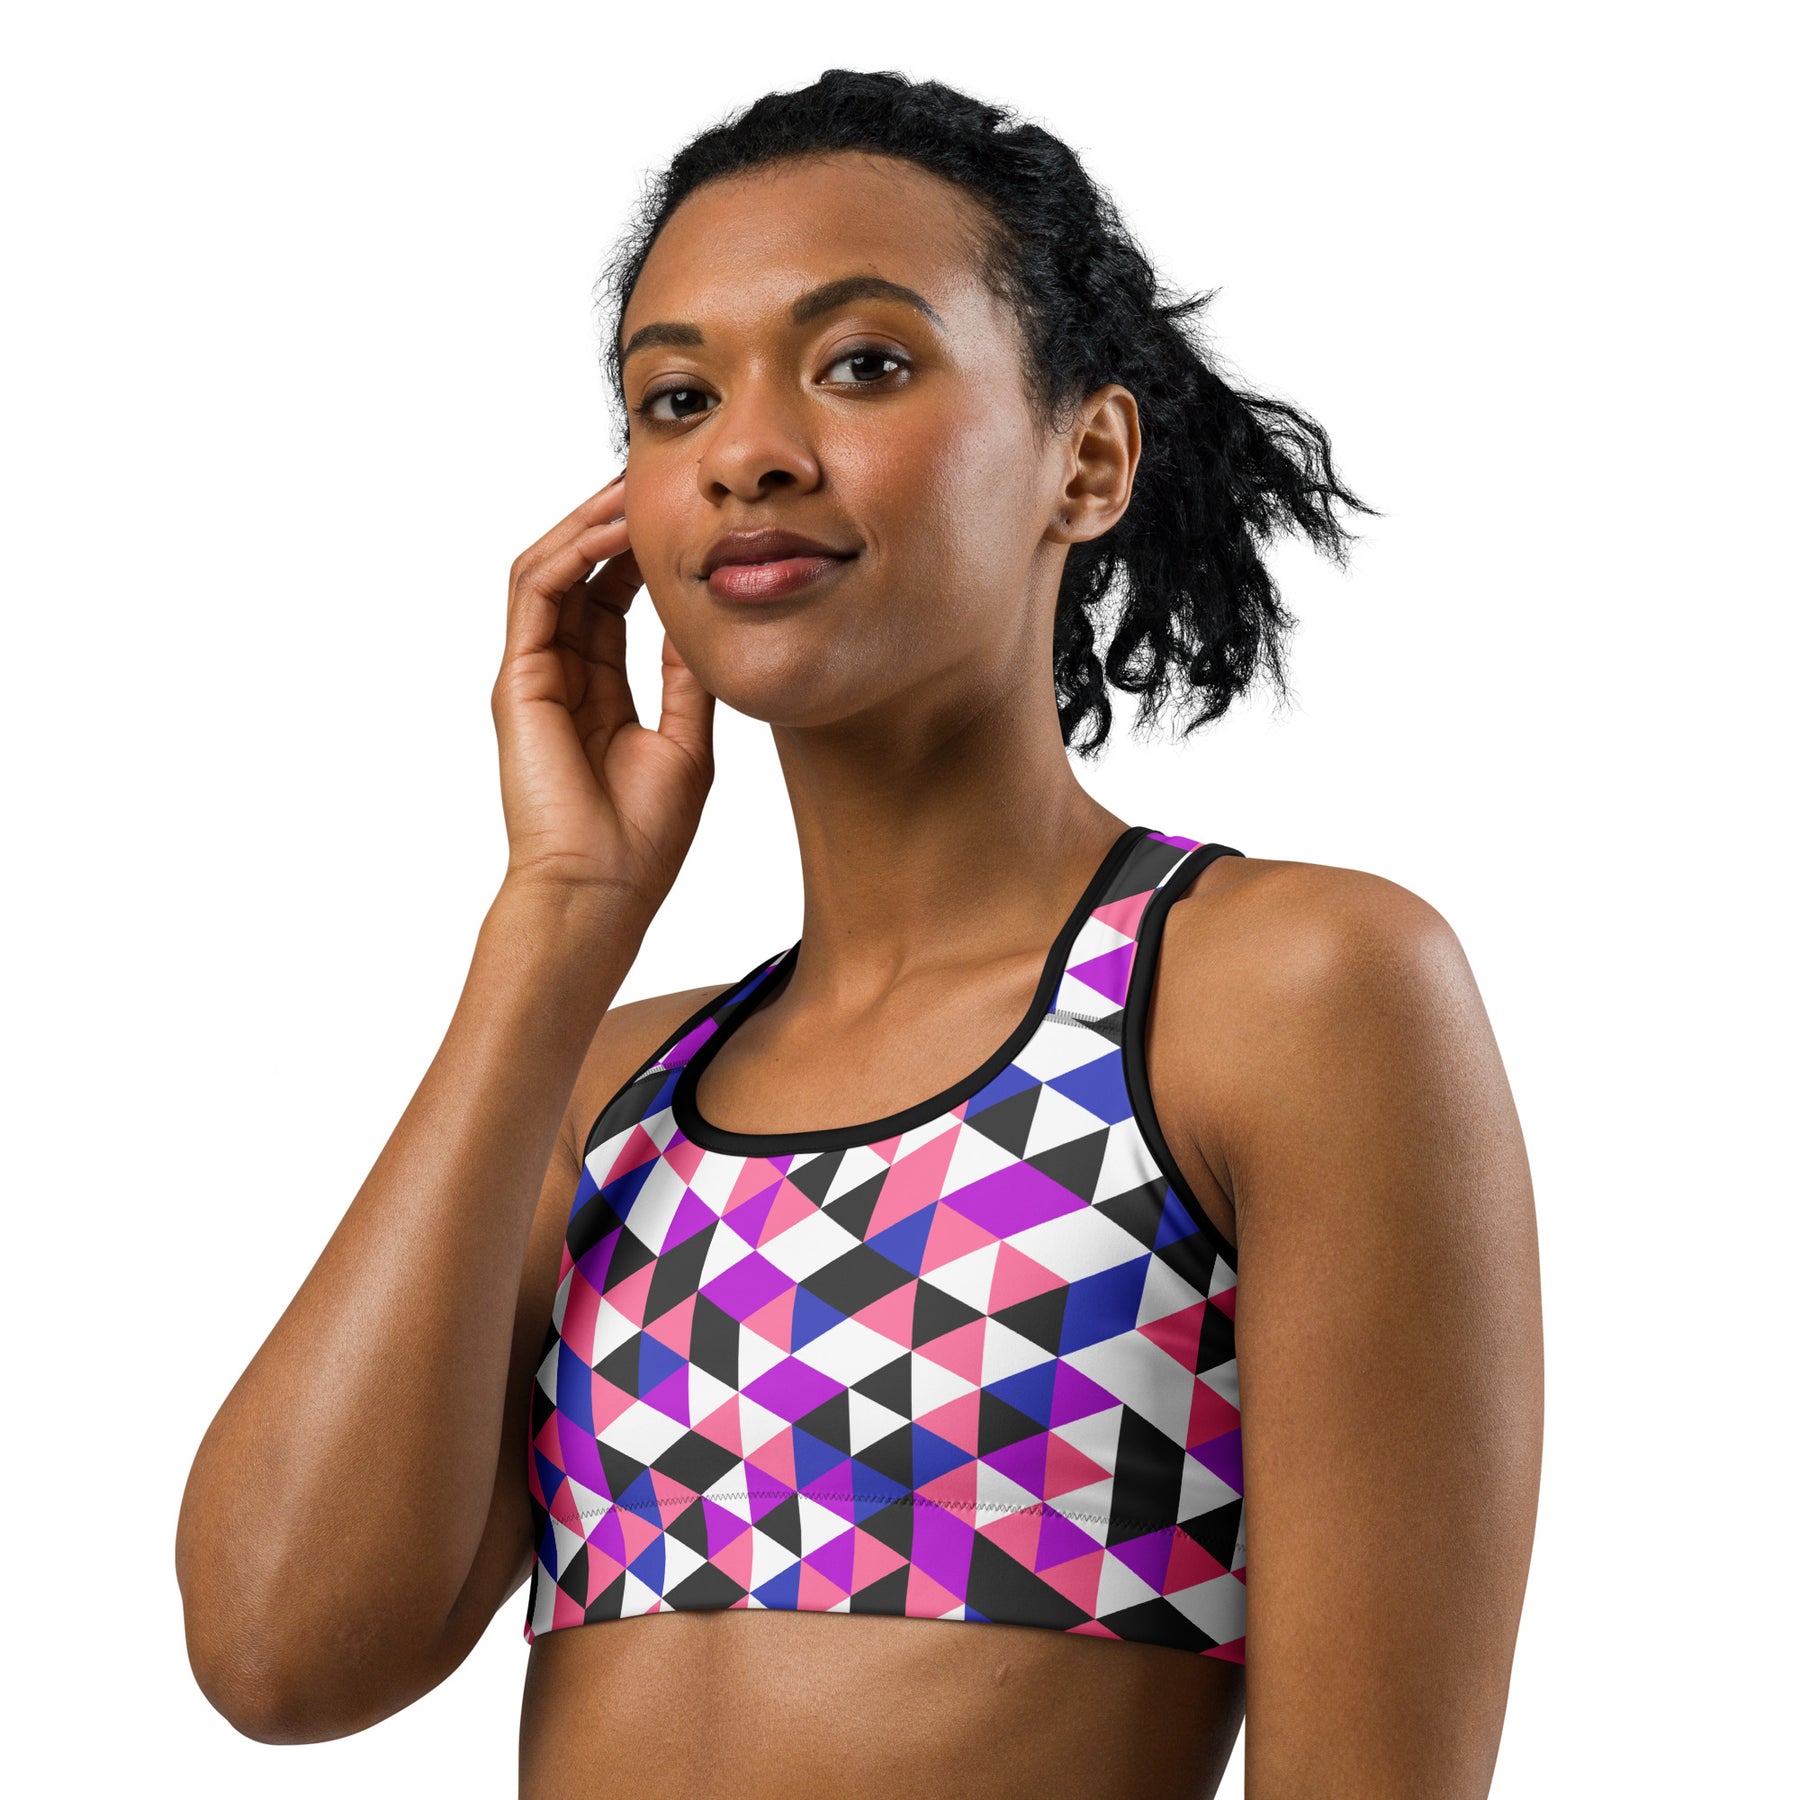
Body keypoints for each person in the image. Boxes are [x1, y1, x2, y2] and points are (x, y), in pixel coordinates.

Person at [175, 68, 1542, 1800]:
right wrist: (560, 922)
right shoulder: (613, 1090)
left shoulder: (1278, 993)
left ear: (1087, 459)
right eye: (676, 398)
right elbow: (276, 1653)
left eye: (865, 364)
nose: (745, 451)